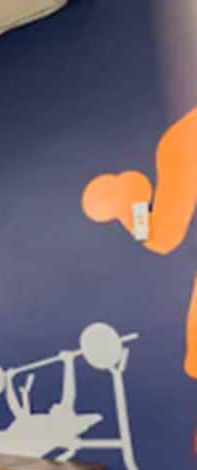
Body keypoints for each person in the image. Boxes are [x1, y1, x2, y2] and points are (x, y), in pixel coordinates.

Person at [81, 103, 197, 376]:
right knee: (161, 236)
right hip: (184, 145)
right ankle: (129, 198)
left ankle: (128, 197)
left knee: (161, 237)